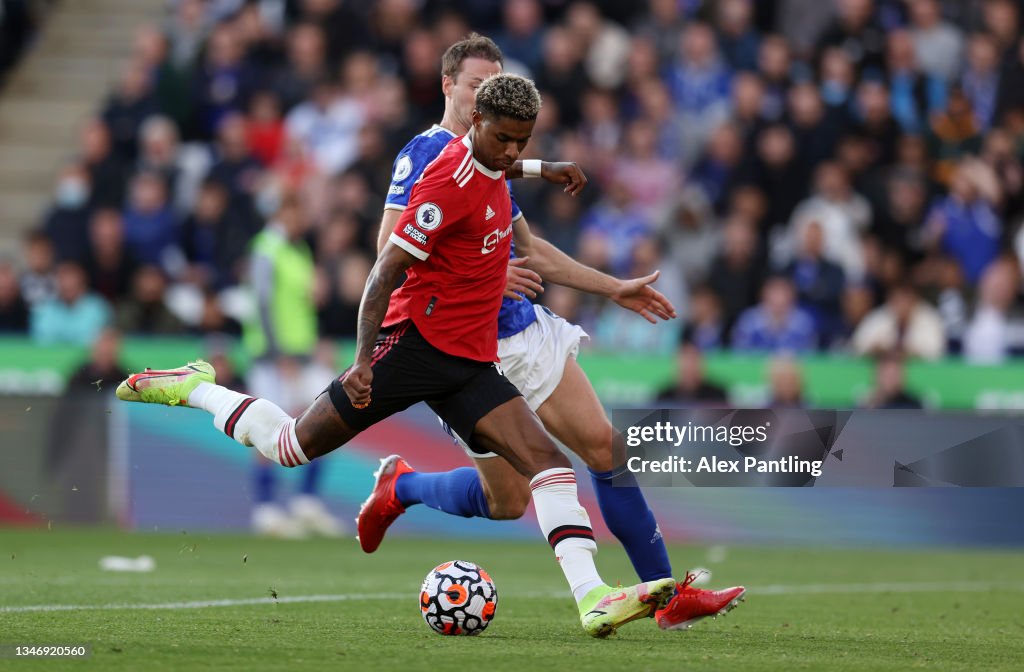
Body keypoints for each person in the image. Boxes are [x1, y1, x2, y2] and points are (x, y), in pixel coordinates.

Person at [117, 73, 677, 638]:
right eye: (505, 138)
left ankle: (593, 599)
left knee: (550, 469)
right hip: (412, 349)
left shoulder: (488, 162)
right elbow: (384, 270)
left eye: (523, 141)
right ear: (475, 119)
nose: (512, 150)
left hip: (469, 363)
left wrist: (541, 168)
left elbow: (493, 165)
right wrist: (363, 360)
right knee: (289, 446)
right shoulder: (443, 184)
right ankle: (195, 387)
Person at [360, 33, 743, 632]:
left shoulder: (493, 160)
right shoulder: (423, 156)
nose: (484, 94)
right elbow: (389, 252)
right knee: (507, 501)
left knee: (605, 450)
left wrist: (611, 286)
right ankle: (402, 488)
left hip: (524, 332)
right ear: (448, 86)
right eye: (474, 85)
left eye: (494, 83)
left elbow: (533, 252)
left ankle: (668, 597)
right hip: (466, 351)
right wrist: (480, 271)